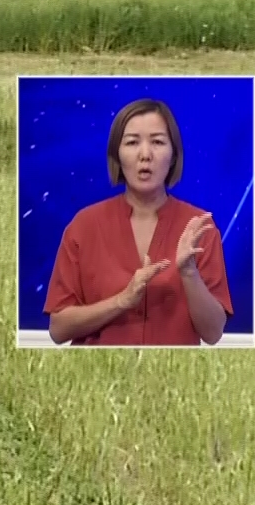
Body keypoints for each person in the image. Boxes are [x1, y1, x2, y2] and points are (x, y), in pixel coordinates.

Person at [45, 98, 233, 345]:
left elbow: (213, 333)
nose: (145, 155)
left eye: (157, 142)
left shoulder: (199, 228)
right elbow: (58, 330)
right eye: (132, 142)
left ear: (174, 155)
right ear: (117, 155)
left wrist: (189, 273)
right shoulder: (84, 225)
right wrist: (121, 301)